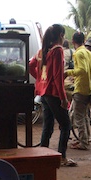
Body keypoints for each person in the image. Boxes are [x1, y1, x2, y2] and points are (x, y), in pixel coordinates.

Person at [29, 24, 77, 167]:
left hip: (43, 93)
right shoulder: (57, 50)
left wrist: (40, 80)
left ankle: (43, 155)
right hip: (53, 93)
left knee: (48, 125)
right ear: (60, 35)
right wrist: (63, 98)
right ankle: (62, 157)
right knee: (65, 125)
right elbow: (57, 76)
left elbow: (31, 65)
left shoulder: (42, 51)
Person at [66, 31, 91, 150]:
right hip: (88, 87)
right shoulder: (89, 53)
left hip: (80, 88)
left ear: (73, 41)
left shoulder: (78, 53)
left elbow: (82, 70)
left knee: (78, 117)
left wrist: (69, 73)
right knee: (83, 115)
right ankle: (85, 138)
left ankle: (83, 142)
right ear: (83, 41)